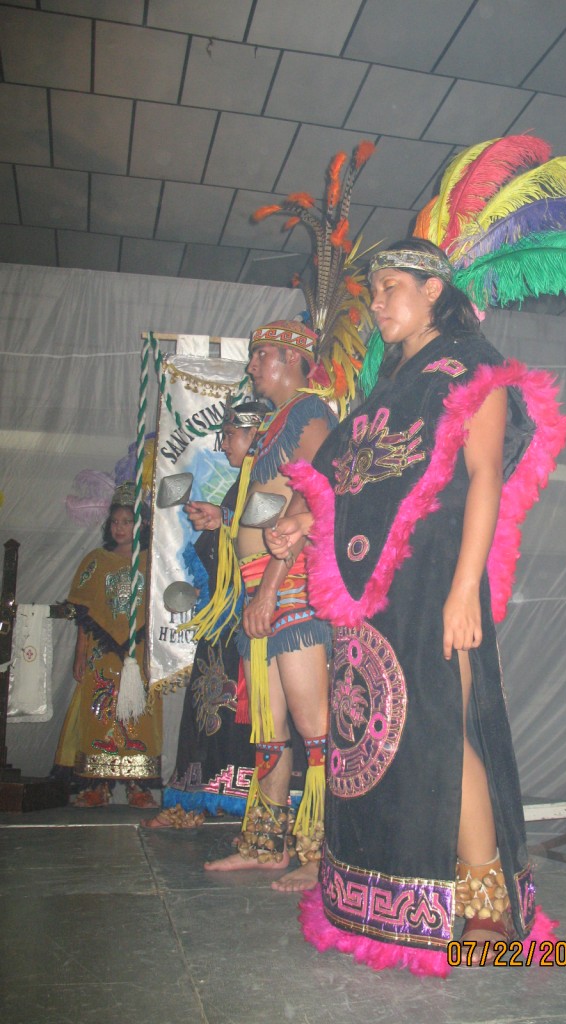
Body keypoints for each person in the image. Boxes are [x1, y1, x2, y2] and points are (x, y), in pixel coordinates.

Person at [265, 239, 566, 973]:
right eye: (372, 291)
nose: (377, 304)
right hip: (381, 590)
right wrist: (304, 521)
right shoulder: (392, 384)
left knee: (437, 724)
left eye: (392, 287)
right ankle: (391, 895)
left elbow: (486, 474)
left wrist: (467, 589)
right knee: (382, 731)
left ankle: (488, 905)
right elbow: (355, 479)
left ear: (435, 290)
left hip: (437, 575)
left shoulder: (475, 366)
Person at [187, 321, 336, 892]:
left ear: (296, 358)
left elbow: (315, 495)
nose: (253, 366)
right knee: (270, 730)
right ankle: (264, 843)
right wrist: (225, 522)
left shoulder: (309, 413)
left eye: (263, 355)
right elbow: (267, 509)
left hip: (291, 585)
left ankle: (321, 854)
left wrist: (272, 585)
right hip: (262, 587)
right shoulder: (277, 425)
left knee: (313, 726)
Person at [142, 401, 267, 830]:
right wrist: (217, 524)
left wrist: (225, 519)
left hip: (257, 618)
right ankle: (192, 801)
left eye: (230, 434)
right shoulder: (241, 484)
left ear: (254, 437)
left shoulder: (271, 478)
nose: (224, 443)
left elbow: (273, 530)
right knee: (206, 708)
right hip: (225, 617)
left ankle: (256, 808)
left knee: (244, 713)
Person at [51, 481, 162, 807]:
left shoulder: (152, 562)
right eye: (115, 522)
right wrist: (80, 655)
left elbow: (163, 607)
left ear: (139, 524)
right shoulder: (95, 562)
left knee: (139, 716)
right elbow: (84, 615)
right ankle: (97, 786)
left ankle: (136, 786)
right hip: (102, 655)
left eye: (127, 521)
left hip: (140, 654)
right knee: (99, 714)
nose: (120, 528)